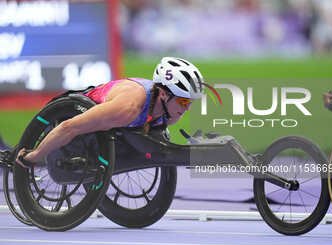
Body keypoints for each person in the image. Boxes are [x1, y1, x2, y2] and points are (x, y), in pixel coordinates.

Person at [16, 57, 207, 168]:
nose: (187, 107)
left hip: (118, 124)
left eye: (190, 102)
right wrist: (35, 155)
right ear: (164, 94)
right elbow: (68, 127)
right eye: (183, 101)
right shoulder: (127, 108)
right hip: (71, 115)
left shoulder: (167, 113)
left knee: (160, 150)